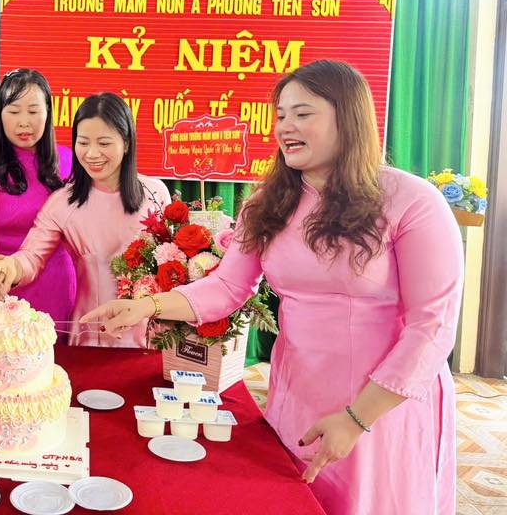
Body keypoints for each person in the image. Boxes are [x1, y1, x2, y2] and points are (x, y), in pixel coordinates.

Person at [80, 61, 462, 515]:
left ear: (348, 117)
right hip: (298, 393)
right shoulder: (267, 204)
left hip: (382, 406)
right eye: (281, 115)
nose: (285, 127)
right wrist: (146, 306)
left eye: (303, 114)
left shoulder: (411, 201)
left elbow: (431, 327)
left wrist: (358, 418)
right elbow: (228, 286)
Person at [0, 92, 170, 347]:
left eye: (104, 143)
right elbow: (31, 256)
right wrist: (10, 267)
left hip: (150, 335)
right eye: (83, 142)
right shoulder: (63, 202)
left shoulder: (155, 193)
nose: (92, 153)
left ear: (127, 143)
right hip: (92, 336)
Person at [0, 69, 76, 326]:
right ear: (0, 115)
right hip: (2, 288)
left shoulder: (70, 162)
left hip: (60, 286)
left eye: (33, 111)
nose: (24, 122)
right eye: (14, 112)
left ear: (48, 112)